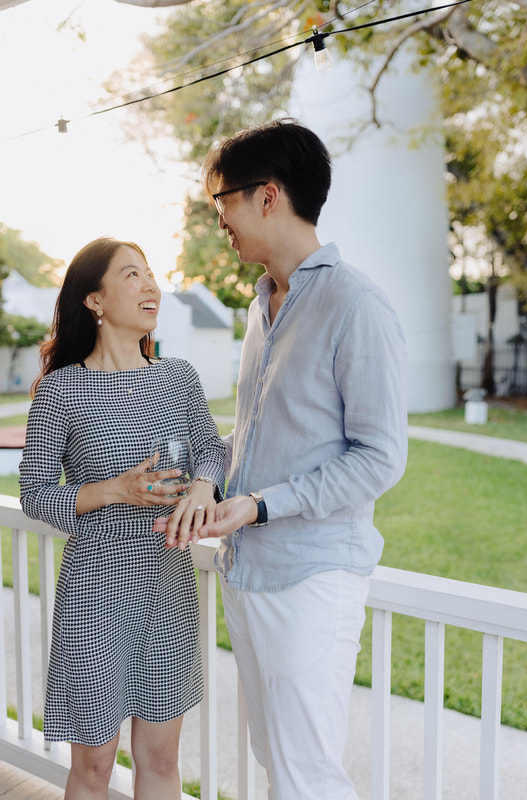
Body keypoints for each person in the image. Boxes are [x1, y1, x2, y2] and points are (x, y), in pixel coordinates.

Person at [160, 119, 408, 800]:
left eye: (223, 203)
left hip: (312, 578)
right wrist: (209, 478)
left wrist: (265, 504)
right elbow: (251, 433)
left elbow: (381, 458)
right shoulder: (261, 307)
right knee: (279, 763)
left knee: (307, 777)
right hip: (249, 573)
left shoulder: (356, 304)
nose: (220, 223)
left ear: (267, 195)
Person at [19, 236, 225, 800]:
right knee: (94, 769)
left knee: (159, 760)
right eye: (132, 275)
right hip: (93, 595)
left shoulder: (178, 378)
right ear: (95, 299)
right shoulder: (61, 391)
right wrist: (115, 490)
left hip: (167, 590)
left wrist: (204, 486)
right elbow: (36, 494)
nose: (151, 286)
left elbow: (211, 449)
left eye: (152, 275)